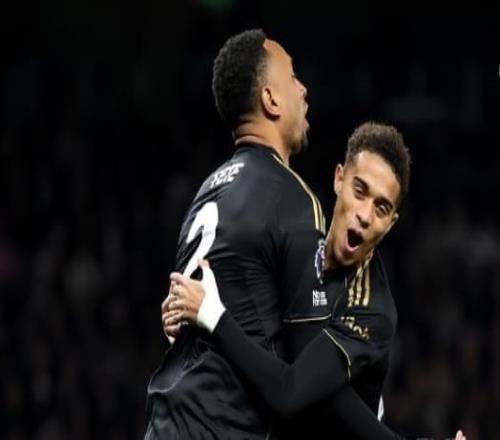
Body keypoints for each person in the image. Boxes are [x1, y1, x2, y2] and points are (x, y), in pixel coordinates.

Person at [164, 123, 465, 440]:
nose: (365, 216)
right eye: (359, 191)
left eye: (381, 208)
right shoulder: (298, 237)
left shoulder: (371, 309)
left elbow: (290, 393)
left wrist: (211, 315)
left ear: (391, 223)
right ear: (339, 179)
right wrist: (184, 307)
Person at [145, 28, 329, 439]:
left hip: (166, 423)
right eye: (293, 76)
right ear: (271, 100)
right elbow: (306, 387)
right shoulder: (292, 199)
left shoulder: (207, 193)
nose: (304, 89)